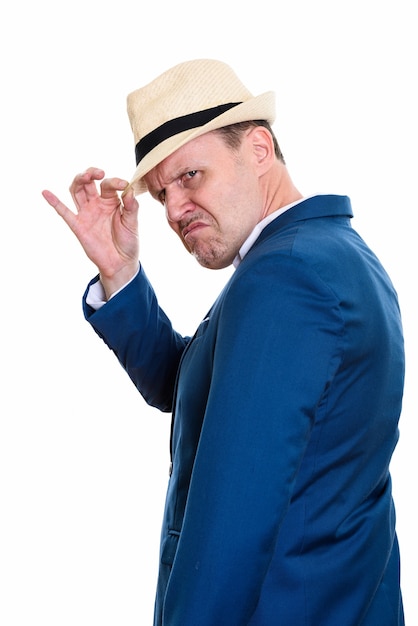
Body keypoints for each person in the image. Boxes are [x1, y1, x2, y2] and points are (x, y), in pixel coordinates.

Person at [42, 59, 405, 625]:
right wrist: (120, 273)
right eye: (163, 195)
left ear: (259, 149)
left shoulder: (285, 276)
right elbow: (196, 385)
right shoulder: (331, 254)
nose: (177, 211)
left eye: (191, 176)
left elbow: (230, 524)